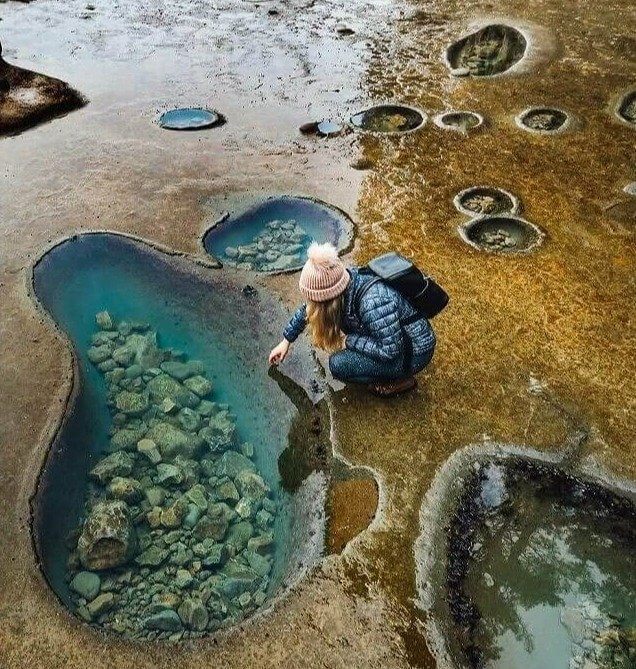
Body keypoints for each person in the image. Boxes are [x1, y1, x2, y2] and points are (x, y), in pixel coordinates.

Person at [268, 242, 436, 397]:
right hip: (393, 338)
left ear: (327, 299)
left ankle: (402, 379)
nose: (310, 304)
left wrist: (349, 340)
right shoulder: (343, 282)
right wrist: (286, 340)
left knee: (339, 365)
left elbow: (390, 350)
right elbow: (309, 309)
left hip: (414, 353)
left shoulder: (373, 303)